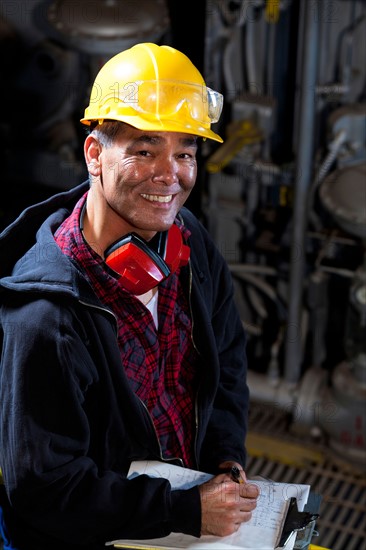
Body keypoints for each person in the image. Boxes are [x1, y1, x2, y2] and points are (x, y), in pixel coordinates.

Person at [0, 42, 259, 550]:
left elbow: (227, 363)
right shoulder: (45, 318)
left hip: (183, 512)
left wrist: (225, 459)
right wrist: (182, 509)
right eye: (145, 149)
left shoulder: (190, 247)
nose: (171, 175)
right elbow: (43, 490)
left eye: (184, 152)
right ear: (95, 154)